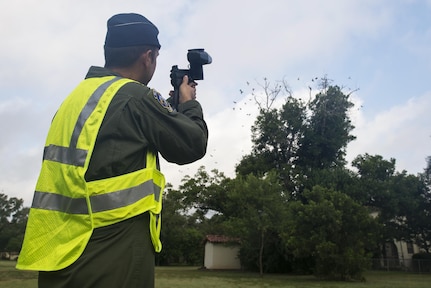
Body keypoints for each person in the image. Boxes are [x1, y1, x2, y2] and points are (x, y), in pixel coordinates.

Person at [16, 13, 208, 288]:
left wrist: (166, 108)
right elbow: (192, 144)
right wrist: (187, 104)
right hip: (112, 256)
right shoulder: (136, 97)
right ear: (148, 56)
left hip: (62, 255)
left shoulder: (77, 98)